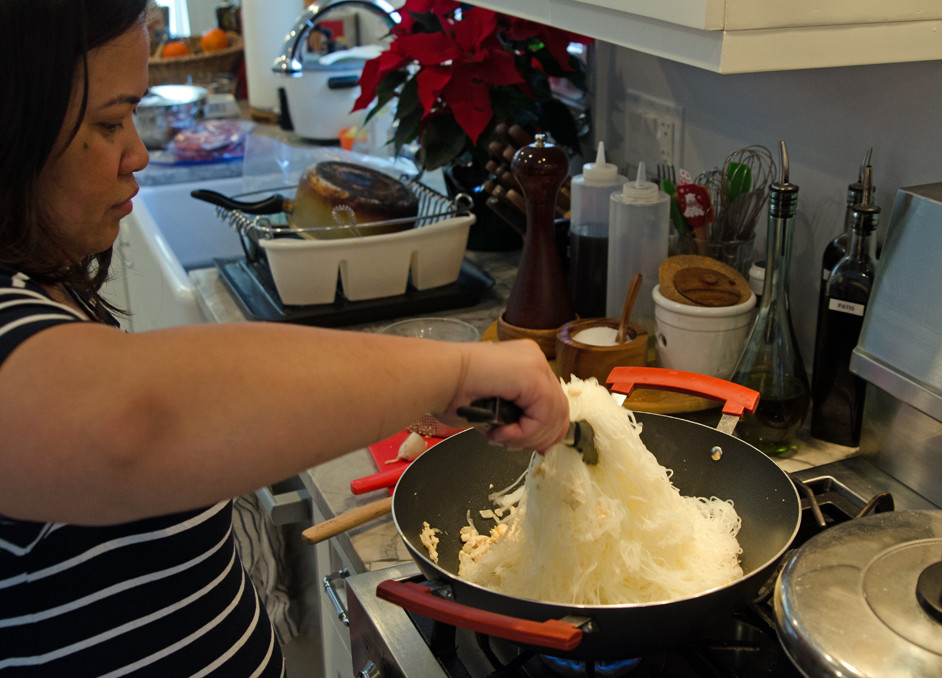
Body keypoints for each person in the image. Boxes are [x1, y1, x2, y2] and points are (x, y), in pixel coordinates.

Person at [0, 1, 570, 675]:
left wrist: (438, 395)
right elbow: (135, 422)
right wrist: (455, 373)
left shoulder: (41, 285)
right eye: (107, 121)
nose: (137, 152)